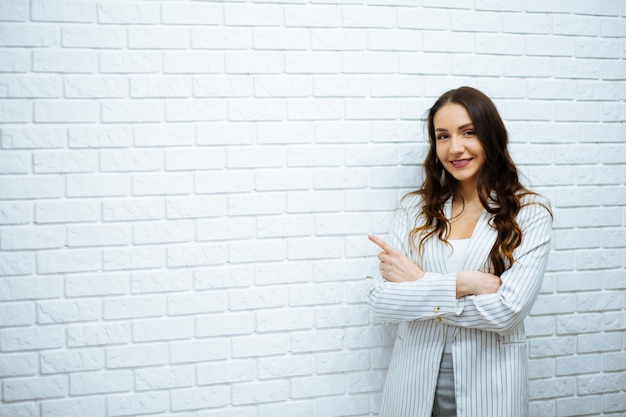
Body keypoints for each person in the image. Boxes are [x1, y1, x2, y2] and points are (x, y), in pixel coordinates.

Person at [367, 86, 553, 417]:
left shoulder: (530, 212)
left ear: (490, 136)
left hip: (492, 385)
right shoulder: (415, 210)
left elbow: (507, 312)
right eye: (442, 136)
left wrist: (421, 281)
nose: (455, 148)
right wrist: (465, 282)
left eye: (468, 132)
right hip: (413, 381)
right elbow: (382, 302)